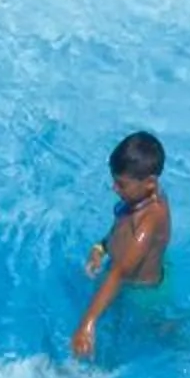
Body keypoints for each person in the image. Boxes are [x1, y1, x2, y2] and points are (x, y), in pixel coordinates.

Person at [72, 132, 171, 361]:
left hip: (142, 295)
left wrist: (87, 324)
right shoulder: (137, 200)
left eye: (121, 184)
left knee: (139, 338)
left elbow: (118, 274)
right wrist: (100, 248)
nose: (114, 188)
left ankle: (177, 334)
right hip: (127, 280)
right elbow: (119, 231)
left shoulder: (148, 223)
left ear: (150, 183)